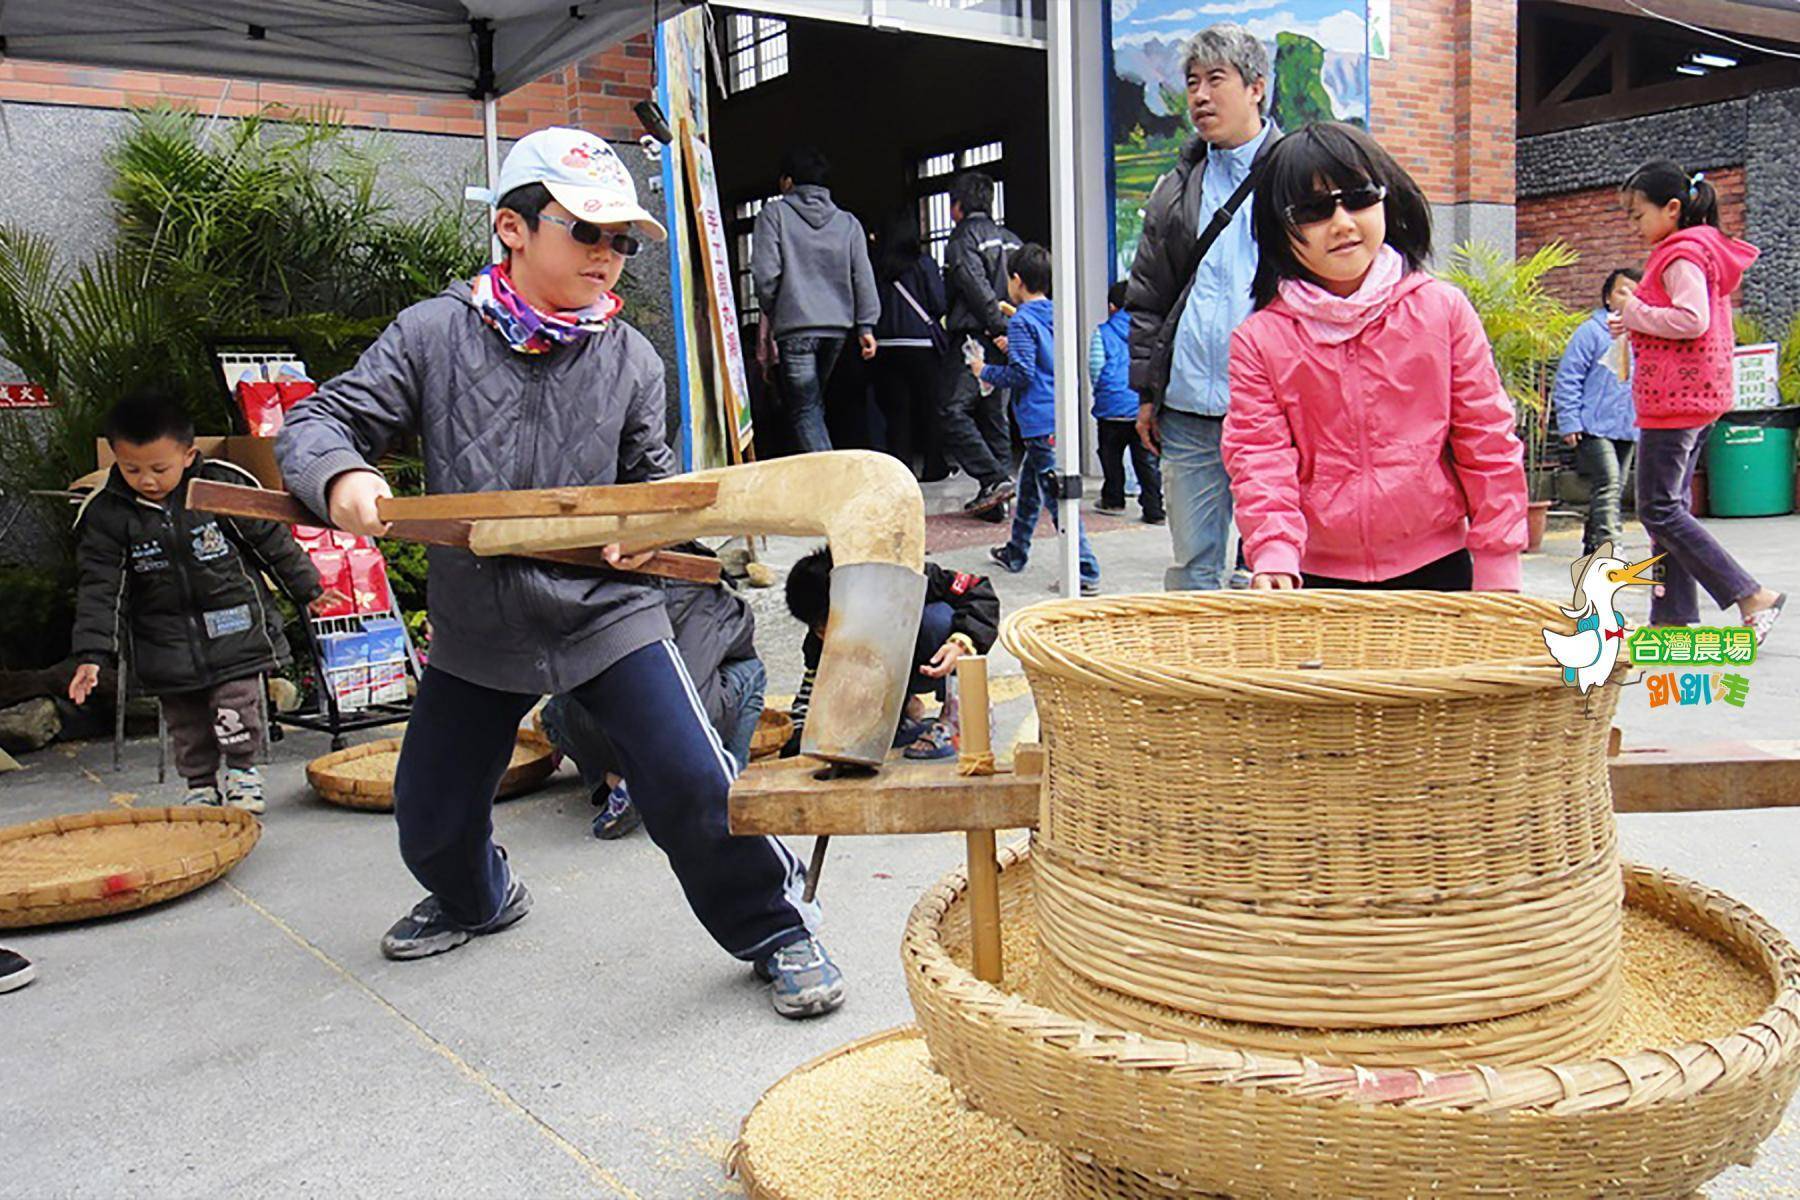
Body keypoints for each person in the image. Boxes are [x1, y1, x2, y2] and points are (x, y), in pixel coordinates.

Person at [276, 127, 843, 1019]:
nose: (609, 257)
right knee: (428, 808)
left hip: (606, 616)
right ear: (512, 227)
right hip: (479, 625)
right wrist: (341, 475)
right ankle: (476, 897)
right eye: (586, 232)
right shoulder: (432, 335)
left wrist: (653, 528)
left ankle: (779, 931)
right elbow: (318, 421)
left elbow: (658, 483)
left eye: (621, 240)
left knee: (693, 784)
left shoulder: (630, 359)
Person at [1222, 123, 1527, 593]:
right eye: (1312, 210)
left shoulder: (1442, 310)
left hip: (1440, 566)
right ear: (1277, 230)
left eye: (1359, 197)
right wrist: (1274, 553)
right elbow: (1259, 458)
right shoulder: (1259, 340)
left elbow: (1486, 440)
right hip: (1313, 576)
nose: (1343, 223)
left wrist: (1498, 562)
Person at [67, 390, 327, 813]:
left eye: (159, 468)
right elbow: (100, 587)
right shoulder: (108, 514)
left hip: (234, 625)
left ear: (188, 455)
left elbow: (271, 542)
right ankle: (201, 786)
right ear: (115, 456)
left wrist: (309, 590)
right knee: (186, 723)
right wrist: (92, 655)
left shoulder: (220, 486)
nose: (146, 480)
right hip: (162, 638)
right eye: (131, 468)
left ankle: (243, 773)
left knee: (235, 706)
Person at [1125, 23, 1279, 591]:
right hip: (1187, 408)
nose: (1200, 96)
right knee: (1194, 570)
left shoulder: (1294, 177)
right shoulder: (1175, 188)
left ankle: (1268, 678)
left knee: (1273, 567)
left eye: (1217, 80)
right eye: (1193, 82)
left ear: (1256, 88)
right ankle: (1199, 680)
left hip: (1273, 410)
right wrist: (1148, 393)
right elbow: (1148, 298)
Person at [1611, 160, 1783, 641]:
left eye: (1636, 214)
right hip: (1691, 396)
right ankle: (1673, 622)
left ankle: (1749, 594)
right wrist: (1635, 320)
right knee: (1670, 511)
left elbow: (1692, 319)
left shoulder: (1681, 253)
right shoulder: (1696, 249)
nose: (1633, 224)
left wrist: (1635, 310)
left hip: (1675, 399)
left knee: (1659, 510)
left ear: (1671, 208)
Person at [540, 546, 765, 839]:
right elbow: (742, 638)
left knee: (554, 713)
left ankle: (618, 782)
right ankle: (727, 785)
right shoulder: (700, 583)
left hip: (602, 731)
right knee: (751, 670)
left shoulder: (582, 582)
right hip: (689, 736)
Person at [783, 546, 1000, 760]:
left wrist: (960, 643)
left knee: (938, 620)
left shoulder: (905, 579)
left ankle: (956, 717)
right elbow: (813, 685)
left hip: (934, 659)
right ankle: (902, 710)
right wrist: (801, 733)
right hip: (892, 672)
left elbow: (978, 590)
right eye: (816, 628)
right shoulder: (821, 636)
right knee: (858, 733)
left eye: (827, 624)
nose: (822, 634)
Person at [976, 243, 1102, 594]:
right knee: (1030, 489)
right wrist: (1013, 347)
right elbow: (1043, 360)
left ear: (1016, 280)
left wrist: (983, 369)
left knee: (1058, 498)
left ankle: (1086, 569)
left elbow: (1022, 374)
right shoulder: (1057, 314)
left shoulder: (1020, 321)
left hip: (1038, 420)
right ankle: (1016, 552)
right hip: (1059, 414)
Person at [751, 145, 880, 455]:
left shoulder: (774, 214)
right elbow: (862, 275)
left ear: (787, 182)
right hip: (836, 330)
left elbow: (765, 273)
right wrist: (866, 326)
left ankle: (829, 485)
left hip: (796, 328)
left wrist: (776, 308)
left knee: (805, 409)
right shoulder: (848, 223)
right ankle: (820, 477)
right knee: (812, 404)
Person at [941, 171, 1023, 519]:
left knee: (951, 410)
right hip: (1007, 338)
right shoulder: (1012, 241)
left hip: (977, 337)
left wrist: (996, 329)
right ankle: (997, 503)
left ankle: (993, 479)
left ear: (957, 206)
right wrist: (1014, 333)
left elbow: (975, 289)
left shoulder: (963, 239)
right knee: (994, 415)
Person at [1554, 268, 1642, 556]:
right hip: (1592, 425)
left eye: (1636, 292)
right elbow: (1569, 377)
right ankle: (1610, 547)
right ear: (1607, 297)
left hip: (1629, 426)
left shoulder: (1642, 336)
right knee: (1609, 482)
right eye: (1621, 291)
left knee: (1613, 487)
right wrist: (1569, 422)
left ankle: (1592, 548)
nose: (1628, 297)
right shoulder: (1591, 332)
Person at [871, 208, 948, 479]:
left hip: (885, 346)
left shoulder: (877, 267)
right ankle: (934, 467)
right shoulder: (923, 264)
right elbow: (939, 304)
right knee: (929, 408)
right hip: (921, 345)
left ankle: (902, 471)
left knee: (896, 412)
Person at [1090, 280, 1164, 525]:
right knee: (1145, 460)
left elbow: (1096, 368)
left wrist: (1103, 392)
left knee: (1110, 455)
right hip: (1140, 405)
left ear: (1112, 307)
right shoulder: (1150, 330)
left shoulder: (1103, 332)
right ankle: (1153, 509)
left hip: (1111, 407)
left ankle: (1113, 499)